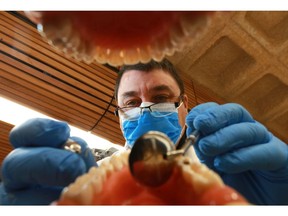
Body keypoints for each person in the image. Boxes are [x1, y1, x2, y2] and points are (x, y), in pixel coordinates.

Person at [0, 59, 288, 205]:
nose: (146, 109)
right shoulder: (88, 171)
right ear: (119, 113)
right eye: (132, 103)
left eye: (161, 98)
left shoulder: (235, 167)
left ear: (184, 107)